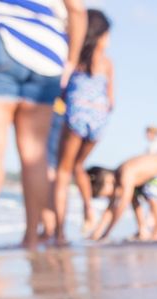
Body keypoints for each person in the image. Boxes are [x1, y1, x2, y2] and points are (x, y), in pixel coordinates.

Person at [0, 0, 86, 257]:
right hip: (48, 51)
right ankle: (31, 238)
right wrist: (71, 60)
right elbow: (76, 8)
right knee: (35, 153)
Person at [53, 9, 113, 244]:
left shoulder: (74, 58)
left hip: (76, 113)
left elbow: (62, 88)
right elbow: (112, 100)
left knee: (63, 172)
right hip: (99, 118)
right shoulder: (108, 63)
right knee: (79, 165)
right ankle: (88, 207)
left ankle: (58, 233)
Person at [87, 155, 157, 243]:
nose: (108, 197)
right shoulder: (122, 178)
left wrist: (106, 233)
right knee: (133, 195)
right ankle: (143, 230)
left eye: (106, 195)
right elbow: (110, 209)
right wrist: (97, 232)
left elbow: (122, 205)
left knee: (151, 191)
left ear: (108, 180)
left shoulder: (125, 174)